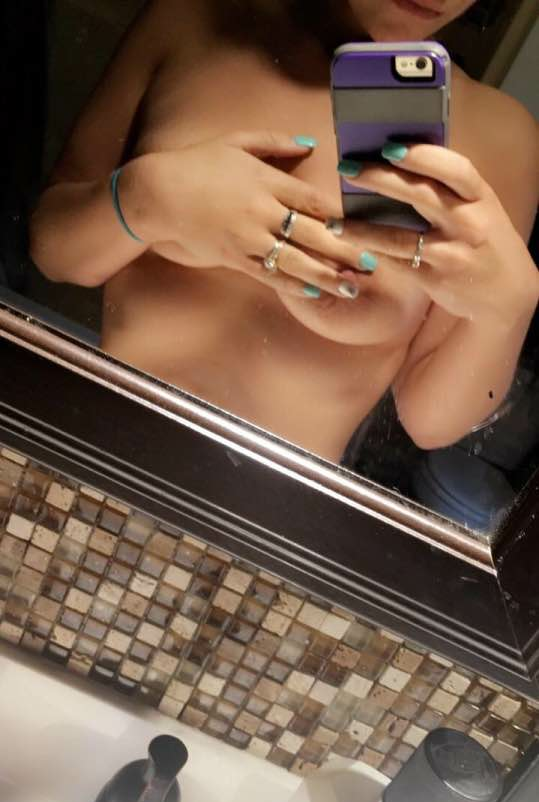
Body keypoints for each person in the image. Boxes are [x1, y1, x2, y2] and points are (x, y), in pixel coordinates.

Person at [30, 0, 539, 462]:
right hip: (89, 461)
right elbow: (52, 250)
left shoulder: (502, 137)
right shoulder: (191, 15)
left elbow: (429, 422)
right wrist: (149, 199)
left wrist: (508, 311)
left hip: (263, 523)